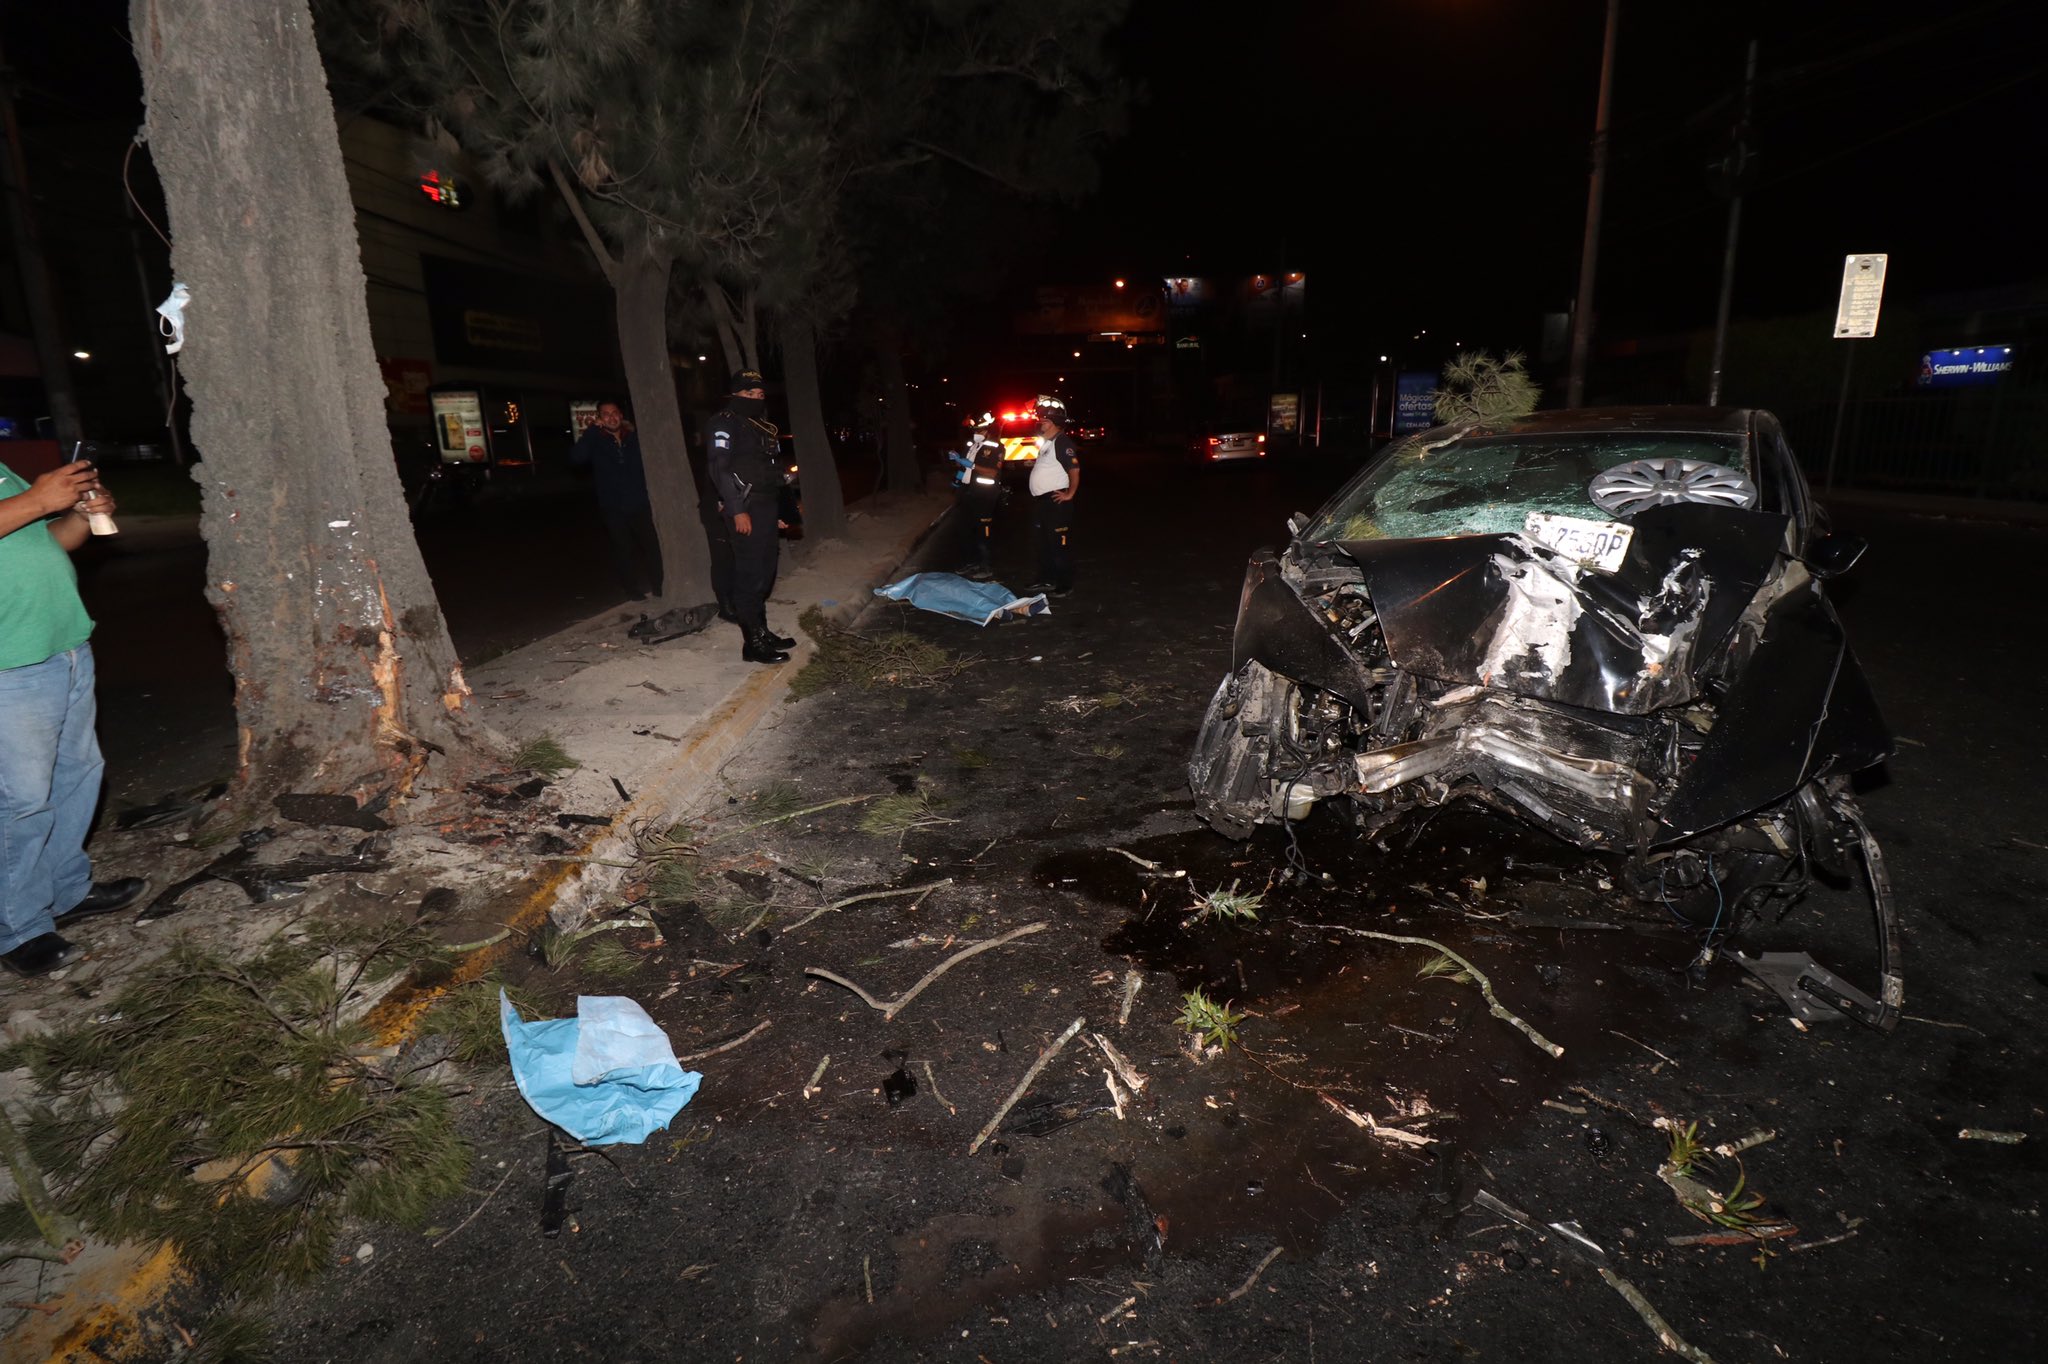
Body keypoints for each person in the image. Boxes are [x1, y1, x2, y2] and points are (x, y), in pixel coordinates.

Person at [2, 458, 150, 977]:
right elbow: (27, 513)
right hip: (8, 664)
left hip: (62, 647)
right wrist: (40, 500)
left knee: (76, 778)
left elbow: (47, 541)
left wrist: (80, 517)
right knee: (19, 802)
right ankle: (16, 928)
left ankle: (65, 891)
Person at [706, 371, 796, 663]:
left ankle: (762, 630)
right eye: (749, 394)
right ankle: (752, 645)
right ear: (736, 395)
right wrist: (737, 509)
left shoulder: (764, 427)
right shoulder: (724, 423)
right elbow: (719, 469)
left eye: (759, 395)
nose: (756, 399)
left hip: (768, 507)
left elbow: (775, 471)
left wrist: (783, 512)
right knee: (749, 575)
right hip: (745, 507)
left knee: (765, 573)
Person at [571, 401, 662, 601]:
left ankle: (659, 585)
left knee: (652, 546)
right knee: (623, 549)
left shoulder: (634, 437)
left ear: (620, 415)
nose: (611, 418)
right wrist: (592, 432)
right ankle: (631, 589)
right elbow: (577, 458)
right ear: (600, 418)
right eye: (606, 414)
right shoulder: (596, 440)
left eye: (614, 413)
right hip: (613, 507)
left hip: (639, 503)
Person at [1027, 395, 1080, 596]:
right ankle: (1046, 579)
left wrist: (1070, 494)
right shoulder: (1047, 443)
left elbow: (1074, 470)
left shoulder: (1062, 442)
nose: (1041, 422)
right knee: (1043, 544)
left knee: (1059, 545)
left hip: (1056, 503)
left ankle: (1065, 583)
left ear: (1054, 423)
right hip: (1042, 503)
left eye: (1045, 420)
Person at [952, 413, 1006, 580]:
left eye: (980, 430)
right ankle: (971, 562)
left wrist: (972, 464)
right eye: (975, 430)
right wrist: (957, 477)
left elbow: (992, 472)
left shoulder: (996, 447)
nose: (976, 433)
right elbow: (963, 466)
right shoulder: (971, 445)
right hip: (967, 492)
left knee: (984, 531)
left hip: (985, 495)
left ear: (988, 431)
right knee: (965, 530)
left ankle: (986, 565)